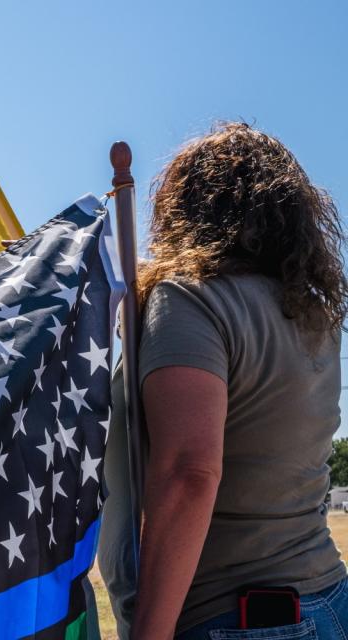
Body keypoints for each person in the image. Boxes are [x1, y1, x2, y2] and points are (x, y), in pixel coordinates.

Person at [99, 122, 348, 639]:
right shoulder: (309, 312)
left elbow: (191, 472)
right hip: (324, 599)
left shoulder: (190, 300)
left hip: (231, 618)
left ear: (187, 207)